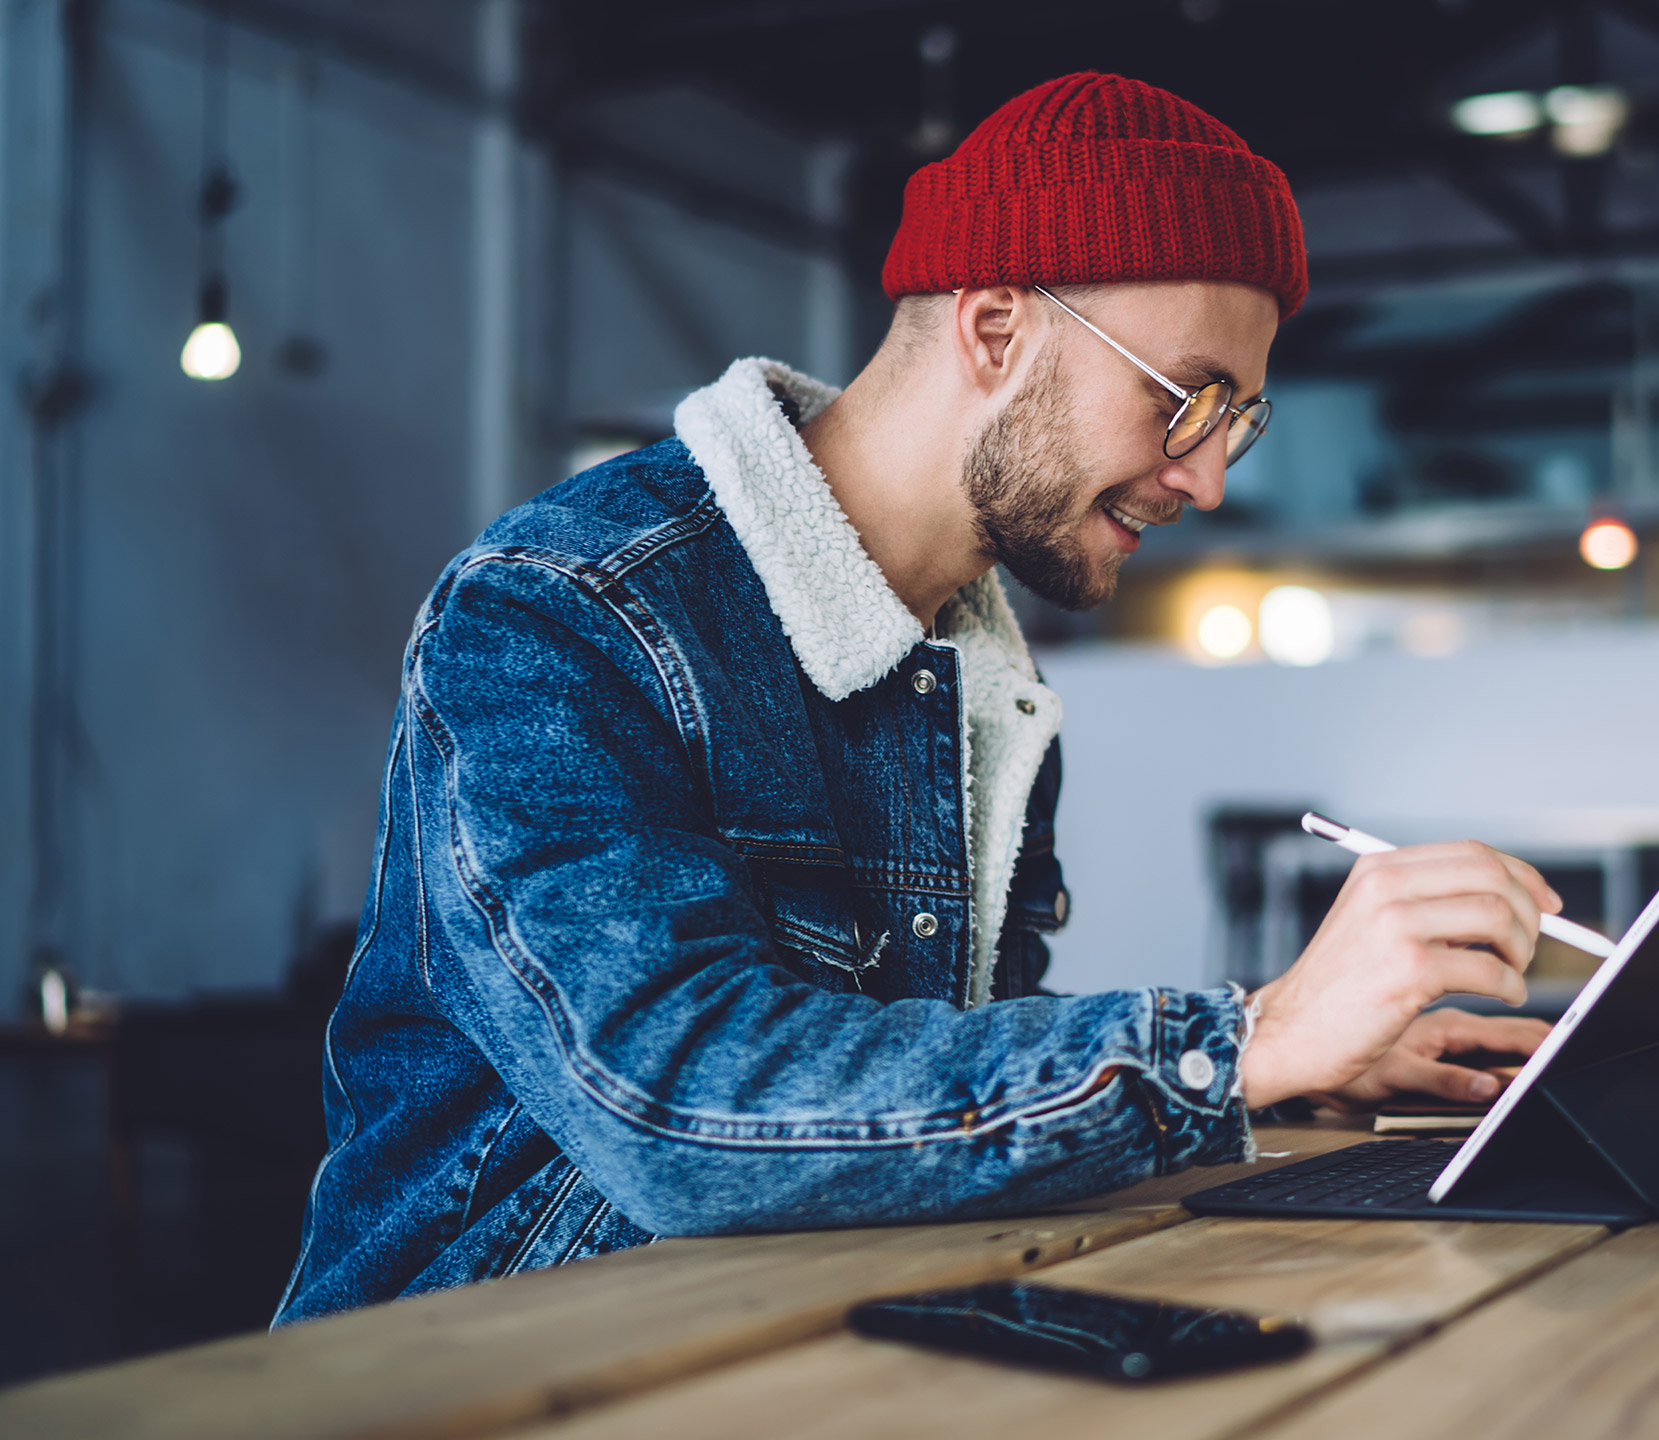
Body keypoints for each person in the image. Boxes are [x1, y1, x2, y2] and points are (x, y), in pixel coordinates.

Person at [276, 72, 1558, 1326]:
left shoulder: (983, 679)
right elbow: (668, 1102)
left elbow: (915, 1068)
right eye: (1186, 401)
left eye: (1242, 420)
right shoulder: (560, 608)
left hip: (801, 1341)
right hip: (480, 1371)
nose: (1208, 479)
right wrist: (1233, 1047)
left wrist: (1280, 1072)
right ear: (995, 328)